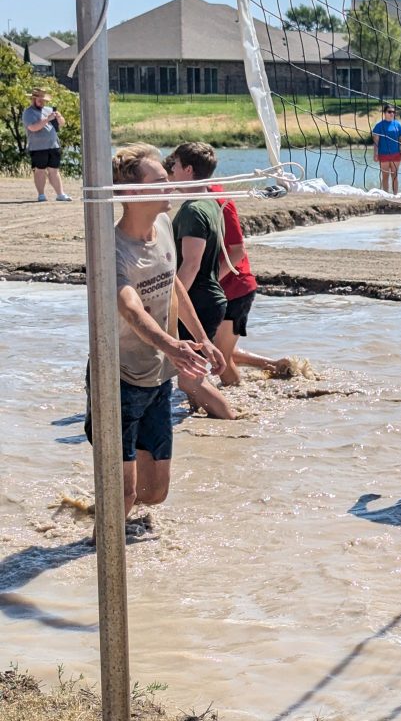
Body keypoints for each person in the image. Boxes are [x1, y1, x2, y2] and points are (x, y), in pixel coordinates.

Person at [85, 144, 225, 521]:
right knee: (126, 492)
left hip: (157, 377)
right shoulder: (110, 250)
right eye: (161, 181)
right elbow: (129, 308)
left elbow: (174, 286)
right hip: (117, 380)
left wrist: (201, 338)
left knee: (155, 493)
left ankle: (100, 514)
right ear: (132, 194)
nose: (170, 185)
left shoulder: (164, 224)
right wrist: (172, 346)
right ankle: (97, 550)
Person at [168, 143, 236, 421]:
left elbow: (191, 264)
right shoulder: (209, 201)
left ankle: (231, 422)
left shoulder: (194, 210)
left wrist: (171, 303)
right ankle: (207, 427)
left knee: (188, 380)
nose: (169, 172)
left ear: (188, 169)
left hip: (198, 300)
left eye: (173, 167)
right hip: (207, 298)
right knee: (193, 377)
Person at [213, 190, 292, 386]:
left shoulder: (218, 200)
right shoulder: (207, 197)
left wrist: (208, 284)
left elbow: (238, 251)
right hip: (231, 289)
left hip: (234, 291)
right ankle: (273, 364)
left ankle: (235, 399)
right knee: (220, 350)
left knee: (219, 355)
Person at [23, 88, 70, 202]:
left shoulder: (49, 109)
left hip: (53, 145)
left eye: (43, 100)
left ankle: (60, 194)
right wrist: (47, 119)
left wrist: (59, 117)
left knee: (54, 170)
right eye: (40, 100)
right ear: (33, 99)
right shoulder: (28, 112)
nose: (42, 102)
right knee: (40, 170)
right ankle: (41, 195)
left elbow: (62, 124)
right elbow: (33, 128)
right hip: (38, 147)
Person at [372, 104, 401, 194]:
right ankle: (385, 196)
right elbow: (376, 142)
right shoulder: (379, 125)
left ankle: (395, 196)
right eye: (389, 112)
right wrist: (375, 154)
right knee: (385, 176)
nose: (392, 113)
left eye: (393, 112)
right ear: (384, 113)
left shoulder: (398, 124)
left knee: (395, 176)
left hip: (396, 154)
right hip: (383, 154)